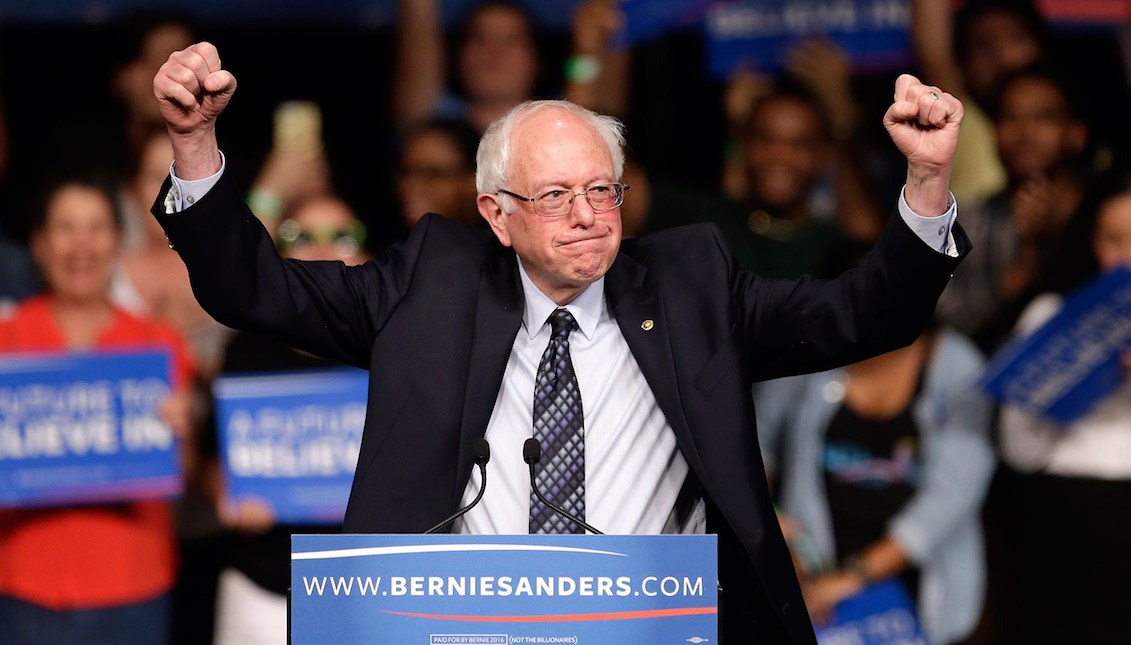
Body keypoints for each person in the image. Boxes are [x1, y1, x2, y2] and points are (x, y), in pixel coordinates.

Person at [152, 41, 968, 643]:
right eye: (553, 195)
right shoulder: (430, 284)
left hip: (656, 628)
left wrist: (926, 183)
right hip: (467, 628)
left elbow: (864, 316)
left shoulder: (692, 286)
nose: (585, 213)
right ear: (495, 214)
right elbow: (252, 289)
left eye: (599, 189)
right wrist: (195, 148)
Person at [0, 178, 194, 645]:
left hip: (134, 583)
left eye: (96, 227)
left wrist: (180, 435)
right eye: (65, 228)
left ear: (116, 241)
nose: (81, 244)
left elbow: (182, 475)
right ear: (40, 244)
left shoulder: (158, 343)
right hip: (25, 585)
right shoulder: (6, 343)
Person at [755, 323, 995, 644]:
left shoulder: (956, 363)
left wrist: (853, 577)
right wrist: (774, 528)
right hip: (808, 580)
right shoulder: (808, 343)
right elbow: (751, 446)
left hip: (919, 592)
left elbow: (954, 493)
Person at [996, 175, 1131, 644]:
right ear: (1090, 240)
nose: (1126, 258)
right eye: (1114, 240)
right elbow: (1017, 452)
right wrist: (1079, 375)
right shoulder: (1050, 315)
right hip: (1065, 523)